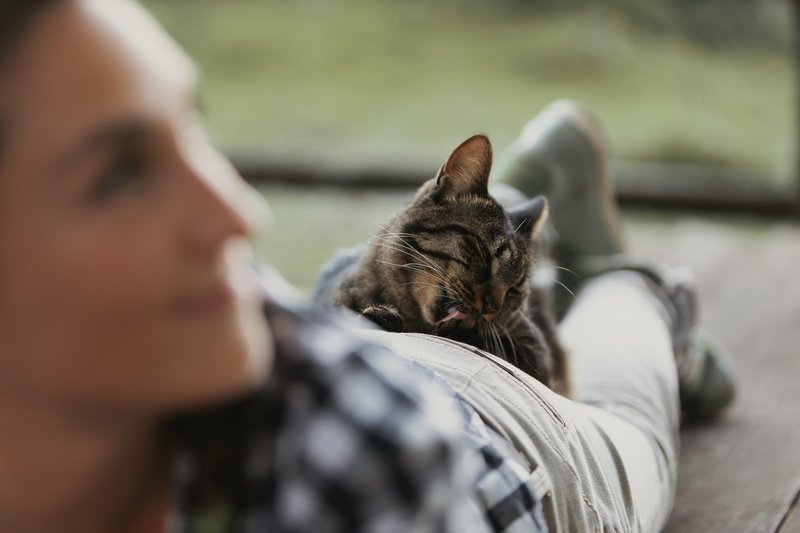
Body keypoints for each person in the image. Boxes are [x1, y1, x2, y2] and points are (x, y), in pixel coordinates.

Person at [0, 1, 734, 532]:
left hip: (510, 422)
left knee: (627, 418)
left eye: (195, 129)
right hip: (393, 319)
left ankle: (633, 288)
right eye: (120, 177)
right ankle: (524, 189)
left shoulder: (361, 455)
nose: (239, 213)